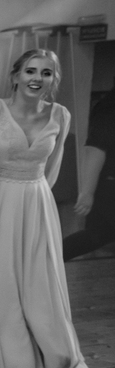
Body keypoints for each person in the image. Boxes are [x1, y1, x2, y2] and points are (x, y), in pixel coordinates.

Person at [0, 48, 90, 368]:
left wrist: (39, 201)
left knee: (35, 286)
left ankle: (24, 359)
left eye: (46, 72)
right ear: (15, 76)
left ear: (54, 80)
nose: (37, 78)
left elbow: (52, 167)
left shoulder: (61, 115)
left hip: (36, 205)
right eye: (31, 70)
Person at [64, 77, 115, 261]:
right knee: (98, 234)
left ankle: (46, 261)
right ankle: (45, 261)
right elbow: (95, 149)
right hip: (110, 185)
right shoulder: (109, 111)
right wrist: (87, 192)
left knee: (98, 234)